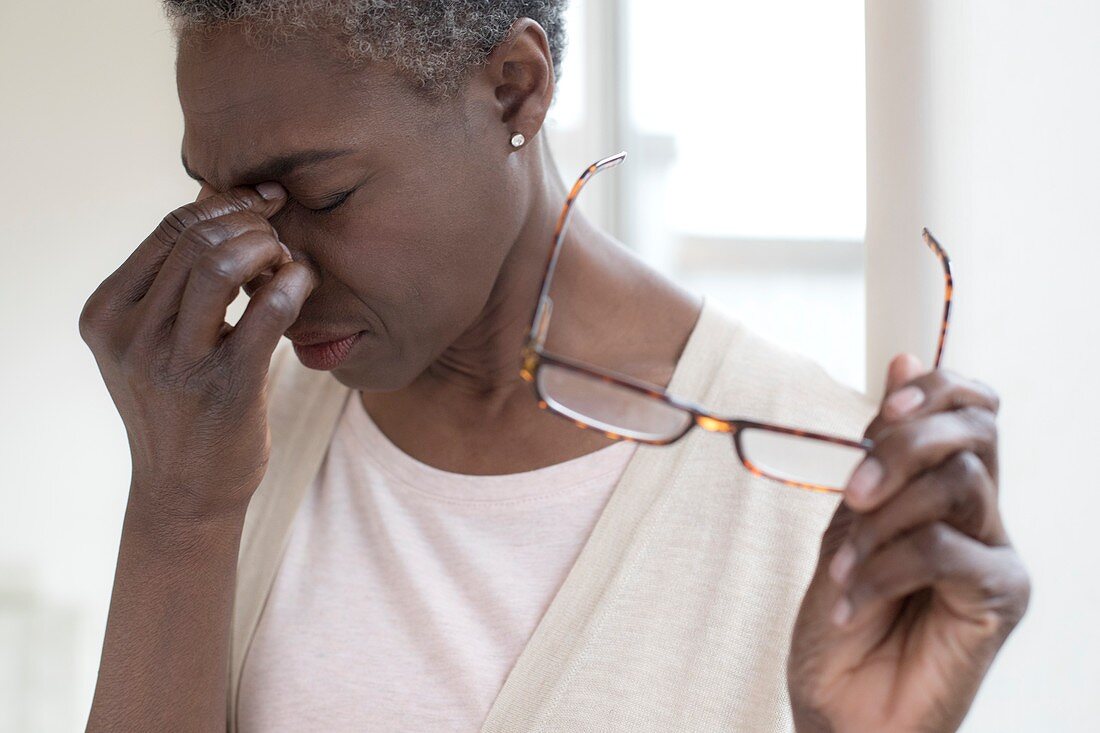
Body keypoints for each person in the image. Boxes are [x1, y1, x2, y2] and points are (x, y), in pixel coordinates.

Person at [79, 2, 1030, 731]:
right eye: (222, 202)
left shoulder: (819, 495)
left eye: (321, 195)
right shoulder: (223, 441)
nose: (264, 267)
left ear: (513, 89)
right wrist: (178, 514)